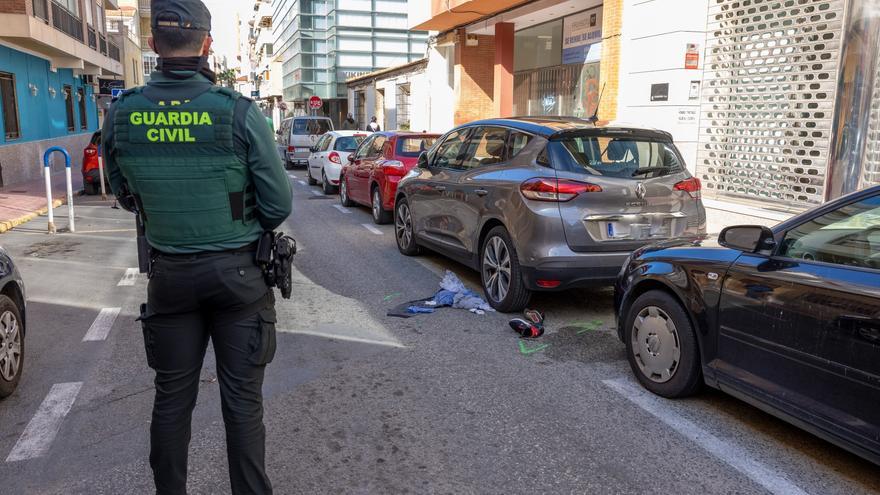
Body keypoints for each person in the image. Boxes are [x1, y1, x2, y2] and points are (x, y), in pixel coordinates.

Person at [102, 1, 291, 493]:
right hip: (239, 278)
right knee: (243, 404)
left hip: (170, 278)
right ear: (207, 44)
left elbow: (124, 195)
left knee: (171, 400)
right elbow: (276, 206)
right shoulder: (238, 113)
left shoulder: (121, 113)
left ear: (151, 45)